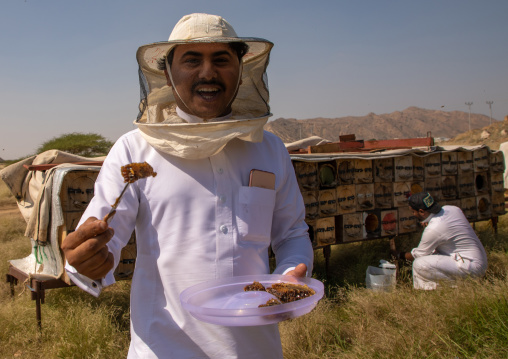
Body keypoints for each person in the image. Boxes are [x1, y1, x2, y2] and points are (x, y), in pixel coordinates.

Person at [61, 13, 314, 359]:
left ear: (241, 70)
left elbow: (292, 233)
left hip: (257, 350)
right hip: (162, 350)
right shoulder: (134, 151)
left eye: (221, 59)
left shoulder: (269, 149)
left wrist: (290, 276)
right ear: (167, 73)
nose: (208, 72)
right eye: (192, 60)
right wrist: (86, 260)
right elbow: (103, 239)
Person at [392, 192, 488, 290]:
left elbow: (418, 255)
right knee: (433, 253)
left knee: (419, 264)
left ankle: (447, 288)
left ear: (421, 211)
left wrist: (400, 255)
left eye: (413, 212)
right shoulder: (452, 209)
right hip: (480, 260)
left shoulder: (434, 229)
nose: (413, 214)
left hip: (471, 268)